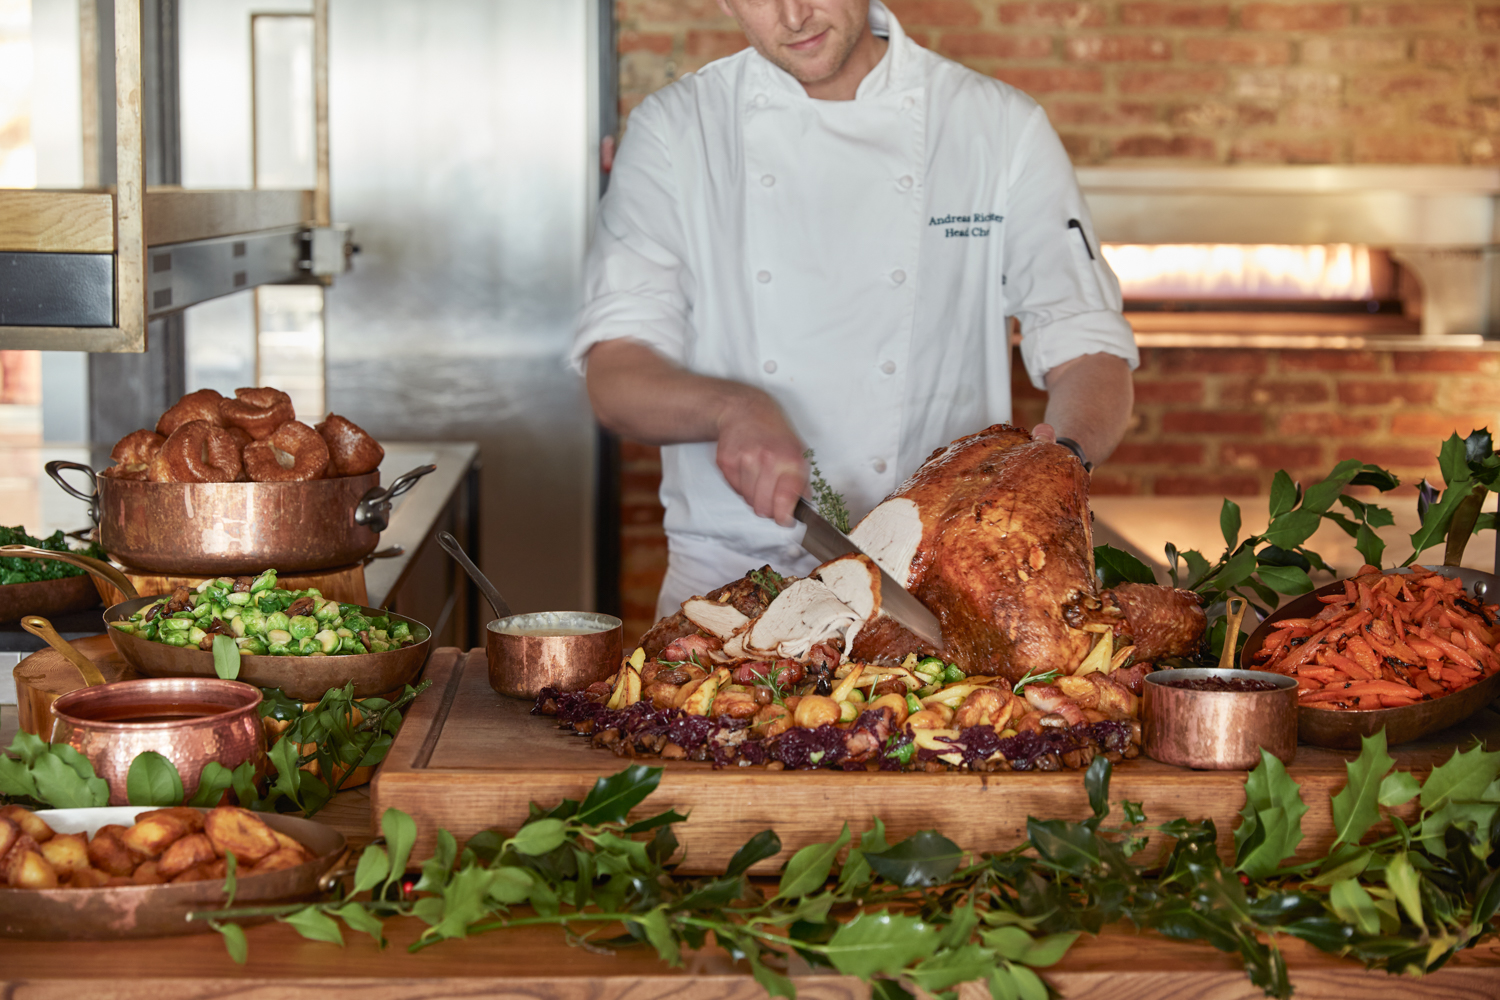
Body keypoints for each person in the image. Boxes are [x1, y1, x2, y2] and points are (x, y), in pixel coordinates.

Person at [572, 0, 1137, 620]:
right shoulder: (678, 131)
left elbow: (1088, 346)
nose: (793, 16)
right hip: (727, 586)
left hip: (934, 590)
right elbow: (615, 372)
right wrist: (733, 408)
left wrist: (1056, 466)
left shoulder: (996, 126)